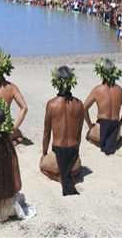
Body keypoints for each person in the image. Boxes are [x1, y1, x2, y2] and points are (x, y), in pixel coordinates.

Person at [40, 66, 83, 196]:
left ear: (56, 82)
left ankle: (59, 177)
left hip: (57, 154)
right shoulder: (79, 104)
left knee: (42, 165)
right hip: (74, 156)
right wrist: (76, 153)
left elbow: (46, 133)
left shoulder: (51, 104)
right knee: (76, 169)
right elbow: (79, 135)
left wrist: (44, 153)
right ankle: (69, 174)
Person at [84, 58, 122, 155]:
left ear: (101, 73)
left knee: (88, 135)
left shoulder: (97, 90)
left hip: (101, 129)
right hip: (115, 129)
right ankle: (114, 141)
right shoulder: (119, 90)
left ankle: (100, 139)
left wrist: (90, 125)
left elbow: (84, 108)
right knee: (112, 140)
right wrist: (120, 123)